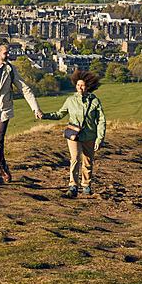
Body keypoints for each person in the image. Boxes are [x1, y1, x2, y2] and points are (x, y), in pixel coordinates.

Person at [0, 41, 42, 184]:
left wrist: (35, 107)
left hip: (4, 110)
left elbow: (24, 88)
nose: (8, 54)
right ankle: (4, 169)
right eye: (5, 52)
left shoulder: (10, 69)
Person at [43, 69, 107, 198]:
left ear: (88, 86)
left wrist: (100, 138)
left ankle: (86, 185)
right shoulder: (70, 100)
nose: (80, 87)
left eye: (82, 85)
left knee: (88, 161)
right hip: (74, 135)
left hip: (90, 135)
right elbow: (60, 114)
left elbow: (101, 120)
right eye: (78, 85)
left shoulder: (95, 101)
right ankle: (73, 186)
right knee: (75, 159)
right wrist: (44, 115)